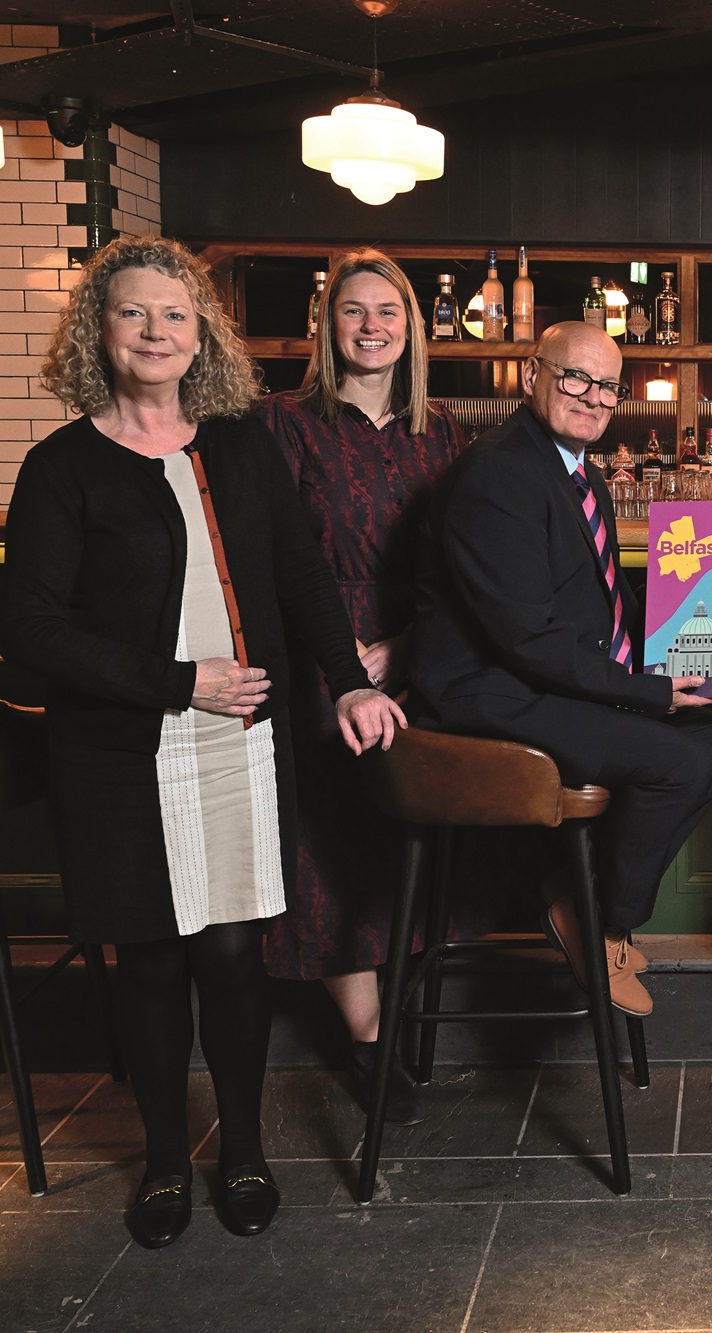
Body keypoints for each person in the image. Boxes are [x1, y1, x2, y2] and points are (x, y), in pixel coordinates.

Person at [1, 236, 404, 1251]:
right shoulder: (61, 467)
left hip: (241, 742)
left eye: (174, 314)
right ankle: (164, 1162)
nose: (155, 331)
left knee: (230, 954)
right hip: (119, 752)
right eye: (132, 313)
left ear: (201, 336)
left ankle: (245, 1150)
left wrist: (351, 681)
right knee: (147, 957)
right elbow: (31, 632)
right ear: (98, 330)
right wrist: (182, 682)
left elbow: (302, 577)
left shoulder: (238, 446)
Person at [406, 322, 712, 1018]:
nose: (593, 397)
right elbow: (526, 636)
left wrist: (690, 635)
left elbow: (601, 602)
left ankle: (576, 895)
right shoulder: (500, 470)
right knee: (681, 763)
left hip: (537, 680)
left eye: (608, 387)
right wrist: (648, 693)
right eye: (576, 378)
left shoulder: (577, 471)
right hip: (486, 692)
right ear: (533, 374)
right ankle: (600, 922)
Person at [255, 250, 465, 1125]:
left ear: (412, 328)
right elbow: (272, 557)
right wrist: (345, 658)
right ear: (326, 325)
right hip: (317, 658)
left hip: (422, 652)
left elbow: (461, 561)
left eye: (388, 311)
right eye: (353, 311)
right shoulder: (283, 421)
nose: (371, 326)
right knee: (330, 847)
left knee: (406, 839)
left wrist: (405, 646)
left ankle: (395, 1010)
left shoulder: (441, 430)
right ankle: (370, 1039)